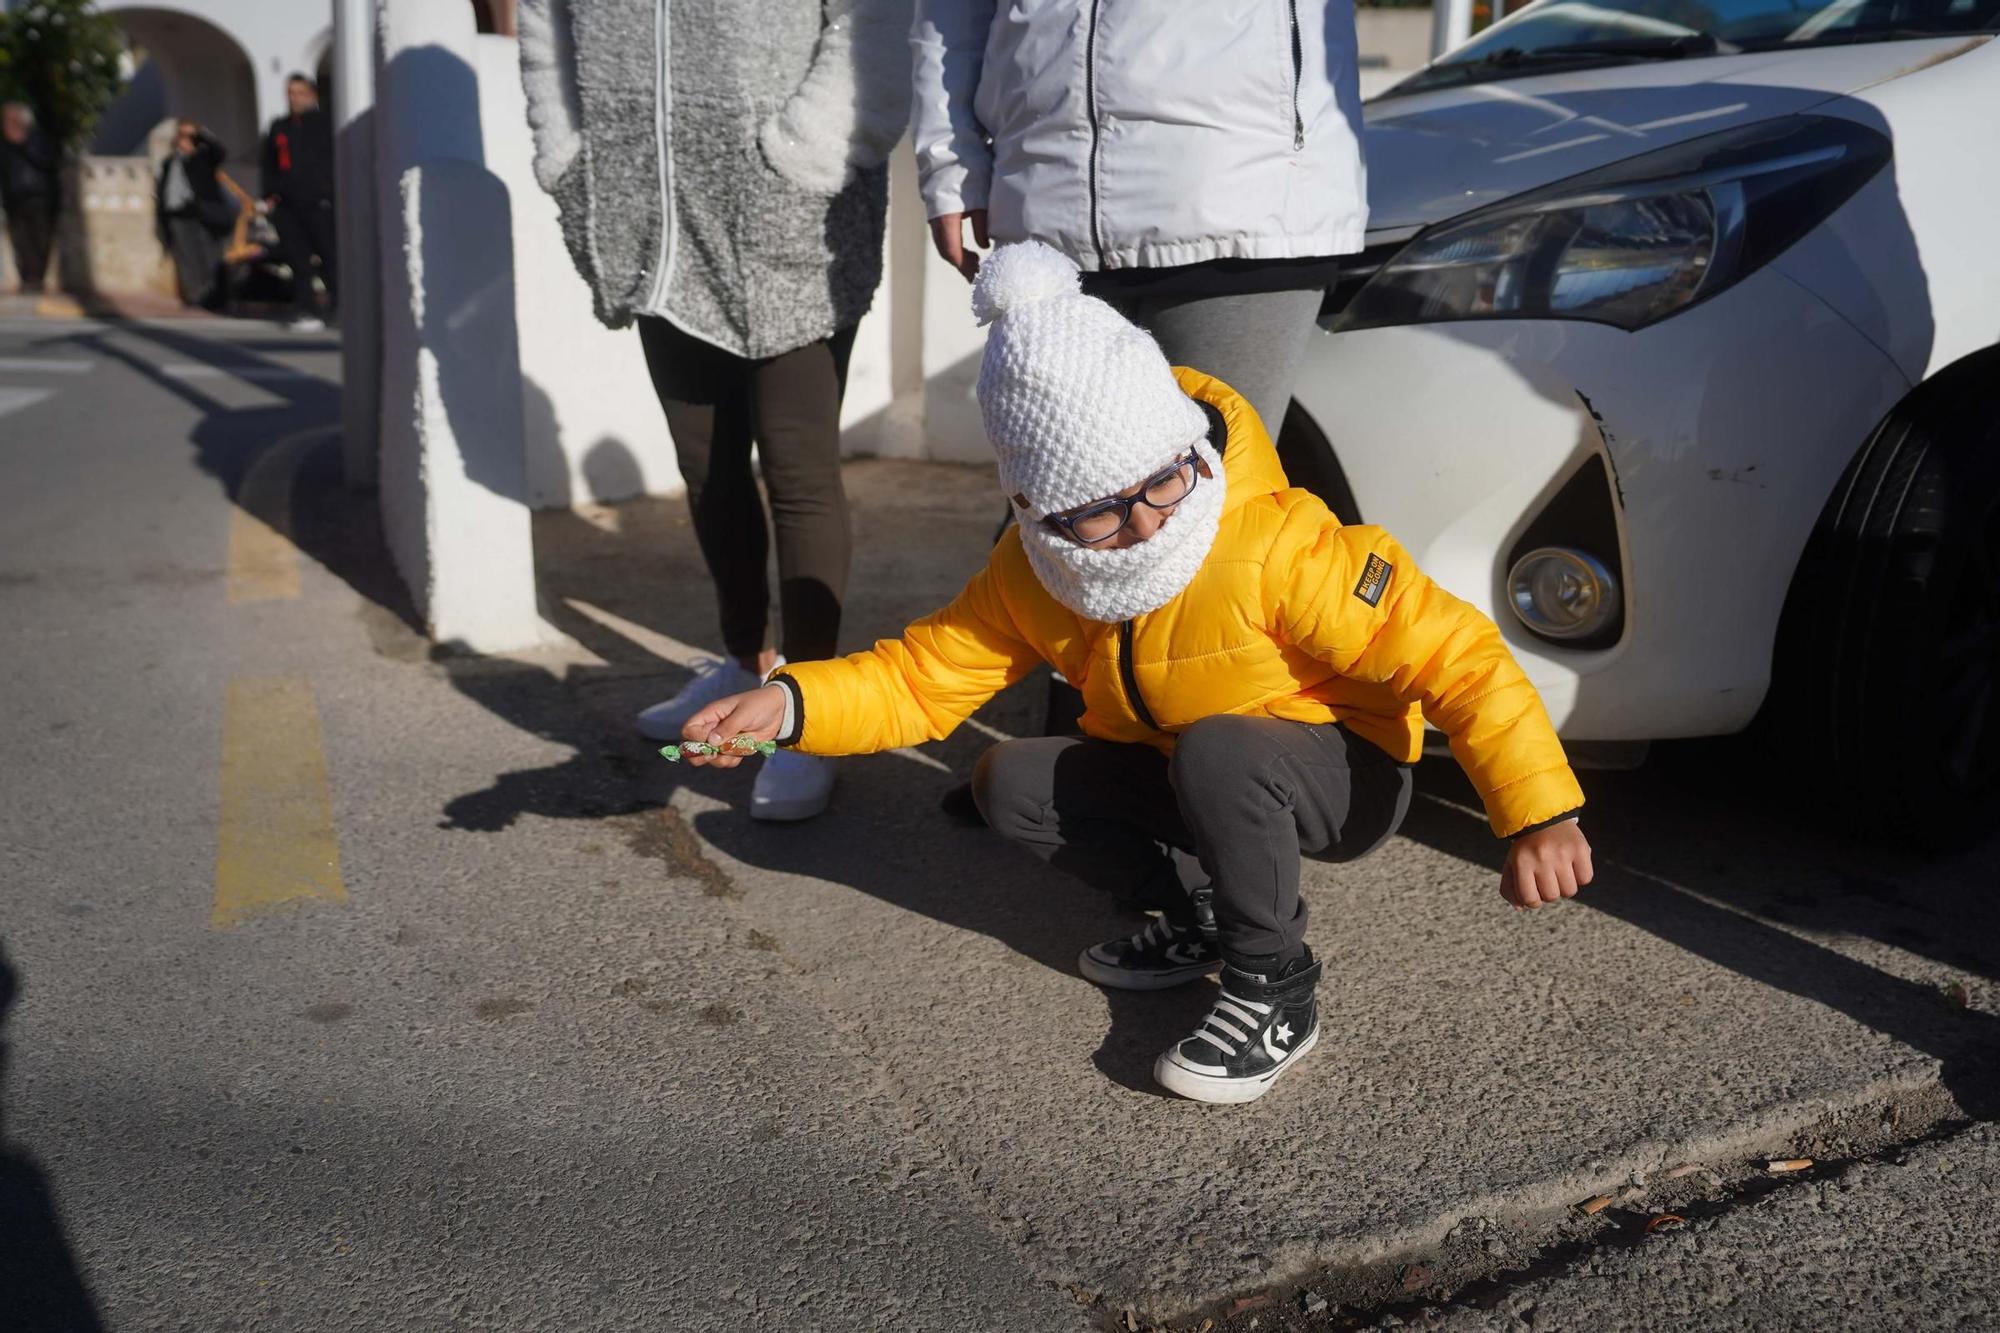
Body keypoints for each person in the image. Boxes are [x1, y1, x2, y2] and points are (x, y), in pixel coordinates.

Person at [673, 243, 1593, 1104]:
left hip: (1339, 774)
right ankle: (1199, 911)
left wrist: (1540, 812)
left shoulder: (1277, 545)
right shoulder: (1033, 574)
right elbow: (919, 679)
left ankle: (1275, 983)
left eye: (1164, 483)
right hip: (1193, 764)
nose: (1148, 524)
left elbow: (1456, 653)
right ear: (1033, 508)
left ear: (1186, 444)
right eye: (1101, 515)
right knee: (1010, 780)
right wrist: (788, 705)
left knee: (1222, 749)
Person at [519, 0, 912, 822]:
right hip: (647, 208)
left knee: (798, 469)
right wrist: (567, 155)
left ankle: (810, 714)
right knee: (705, 462)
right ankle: (744, 660)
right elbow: (544, 25)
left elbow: (867, 18)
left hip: (791, 212)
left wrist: (806, 154)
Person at [912, 0, 1369, 503]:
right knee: (1053, 520)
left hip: (1242, 194)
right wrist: (951, 160)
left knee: (1214, 519)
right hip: (1045, 204)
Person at [259, 74, 335, 330]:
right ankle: (307, 309)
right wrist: (270, 194)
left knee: (330, 255)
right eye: (291, 93)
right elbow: (269, 162)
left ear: (312, 95)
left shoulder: (325, 124)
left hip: (319, 203)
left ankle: (338, 307)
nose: (294, 98)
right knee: (297, 260)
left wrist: (327, 191)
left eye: (300, 93)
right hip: (287, 204)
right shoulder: (280, 127)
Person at [155, 120, 236, 309]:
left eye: (188, 136)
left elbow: (220, 153)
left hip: (202, 213)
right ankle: (194, 296)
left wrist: (202, 137)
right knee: (187, 258)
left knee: (209, 255)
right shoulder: (170, 162)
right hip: (177, 214)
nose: (183, 140)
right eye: (180, 135)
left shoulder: (203, 158)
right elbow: (163, 189)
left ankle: (215, 297)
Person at [0, 102, 59, 295]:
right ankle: (27, 279)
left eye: (9, 120)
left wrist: (22, 143)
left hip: (39, 197)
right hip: (15, 199)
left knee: (39, 240)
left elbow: (47, 162)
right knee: (20, 241)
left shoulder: (37, 139)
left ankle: (36, 279)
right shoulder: (5, 146)